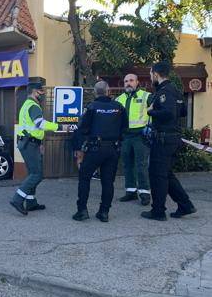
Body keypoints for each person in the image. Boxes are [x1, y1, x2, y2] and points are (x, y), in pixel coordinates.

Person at [141, 61, 197, 221]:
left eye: (151, 74)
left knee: (157, 175)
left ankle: (158, 212)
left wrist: (151, 112)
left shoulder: (165, 92)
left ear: (156, 74)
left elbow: (169, 113)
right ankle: (185, 205)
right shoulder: (177, 91)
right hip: (173, 139)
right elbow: (184, 112)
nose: (151, 76)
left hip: (164, 140)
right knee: (166, 174)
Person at [10, 77, 69, 215]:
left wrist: (40, 143)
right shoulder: (33, 106)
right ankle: (18, 199)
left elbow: (33, 128)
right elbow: (40, 124)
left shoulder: (26, 105)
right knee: (37, 175)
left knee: (33, 173)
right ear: (35, 92)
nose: (42, 95)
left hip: (29, 143)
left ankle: (31, 202)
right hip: (29, 144)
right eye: (41, 92)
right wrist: (60, 126)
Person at [72, 81, 128, 222]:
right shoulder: (119, 107)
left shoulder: (91, 107)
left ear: (95, 93)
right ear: (109, 92)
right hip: (113, 150)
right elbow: (125, 129)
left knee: (84, 179)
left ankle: (82, 211)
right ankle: (104, 212)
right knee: (108, 182)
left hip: (94, 149)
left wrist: (78, 150)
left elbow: (82, 130)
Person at [116, 74, 152, 205]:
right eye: (126, 81)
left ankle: (144, 193)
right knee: (127, 164)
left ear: (137, 82)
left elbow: (154, 113)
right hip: (126, 136)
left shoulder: (146, 96)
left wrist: (150, 127)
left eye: (131, 80)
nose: (128, 83)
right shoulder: (119, 99)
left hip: (140, 135)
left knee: (140, 165)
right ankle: (131, 191)